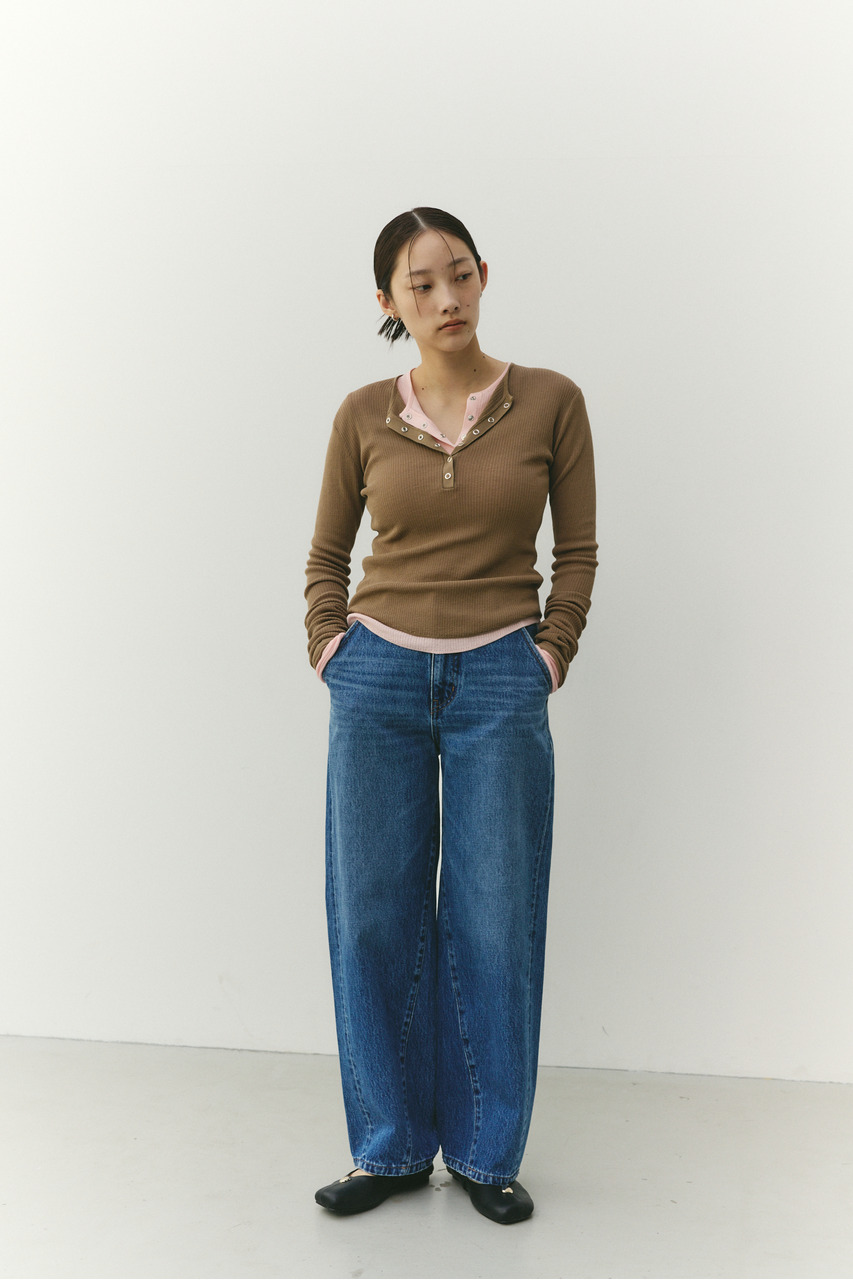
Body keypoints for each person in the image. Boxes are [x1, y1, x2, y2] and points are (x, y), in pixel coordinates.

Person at [304, 208, 597, 1224]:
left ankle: (482, 1154)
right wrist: (332, 647)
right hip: (377, 678)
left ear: (482, 276)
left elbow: (577, 551)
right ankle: (387, 1147)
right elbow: (325, 555)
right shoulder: (360, 414)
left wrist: (549, 651)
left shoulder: (550, 400)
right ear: (388, 302)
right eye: (420, 284)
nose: (446, 298)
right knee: (372, 914)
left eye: (459, 274)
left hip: (501, 678)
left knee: (494, 916)